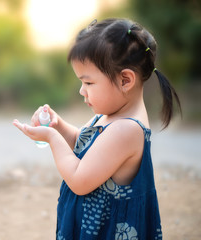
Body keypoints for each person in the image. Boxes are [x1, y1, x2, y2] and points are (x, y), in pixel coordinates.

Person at [13, 18, 181, 239]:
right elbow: (85, 145)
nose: (82, 91)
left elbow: (80, 180)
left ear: (125, 80)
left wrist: (52, 138)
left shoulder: (127, 130)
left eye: (89, 83)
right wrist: (59, 126)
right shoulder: (110, 116)